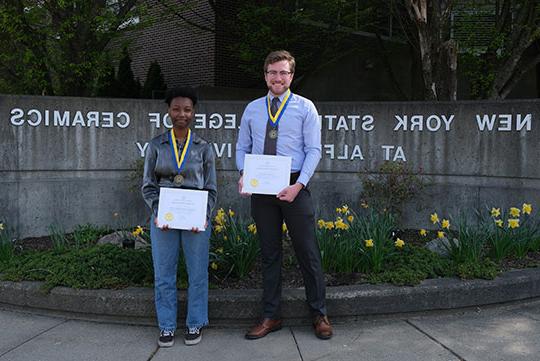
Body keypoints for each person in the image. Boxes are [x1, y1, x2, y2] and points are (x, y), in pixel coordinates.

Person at [236, 50, 333, 340]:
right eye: (272, 72)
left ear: (291, 76)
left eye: (283, 73)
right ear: (265, 74)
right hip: (261, 187)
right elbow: (241, 147)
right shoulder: (252, 108)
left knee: (307, 251)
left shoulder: (305, 108)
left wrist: (299, 185)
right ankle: (271, 315)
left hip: (294, 186)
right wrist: (243, 173)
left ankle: (319, 314)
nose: (277, 78)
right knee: (269, 253)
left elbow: (314, 150)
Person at [142, 87, 217, 347]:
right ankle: (166, 326)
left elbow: (211, 188)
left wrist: (204, 216)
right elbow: (148, 186)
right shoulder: (156, 146)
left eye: (186, 109)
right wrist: (157, 211)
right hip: (164, 219)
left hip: (196, 220)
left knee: (197, 274)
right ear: (169, 111)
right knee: (163, 273)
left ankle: (195, 321)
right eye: (176, 109)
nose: (181, 114)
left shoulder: (205, 148)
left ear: (193, 112)